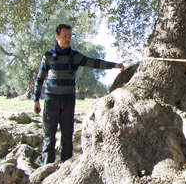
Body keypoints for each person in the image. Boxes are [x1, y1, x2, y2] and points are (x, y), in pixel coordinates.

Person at [33, 24, 125, 164]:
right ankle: (46, 168)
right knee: (49, 136)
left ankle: (65, 166)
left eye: (70, 36)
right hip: (51, 101)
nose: (68, 39)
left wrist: (114, 65)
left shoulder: (75, 56)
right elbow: (40, 78)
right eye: (65, 36)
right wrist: (36, 99)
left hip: (68, 101)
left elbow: (93, 63)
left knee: (67, 136)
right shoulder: (48, 56)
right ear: (57, 37)